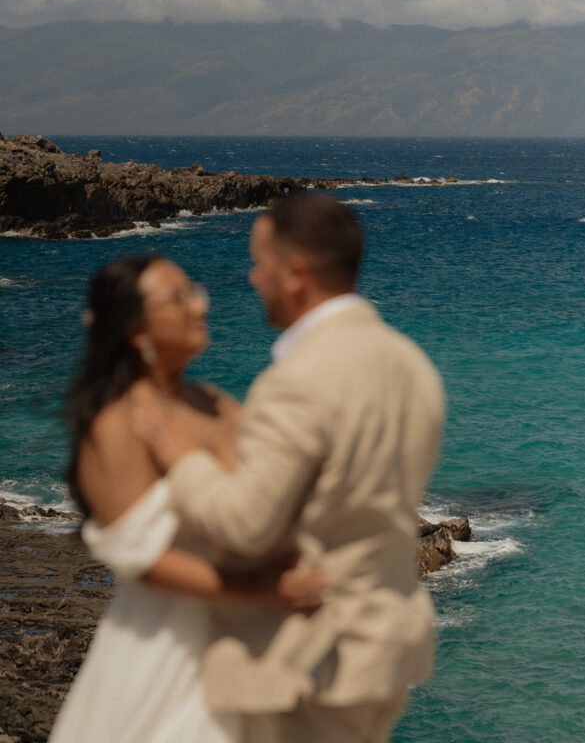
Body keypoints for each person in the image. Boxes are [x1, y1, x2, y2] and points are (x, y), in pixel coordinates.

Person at [136, 194, 445, 743]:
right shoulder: (412, 365)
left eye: (260, 264)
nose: (252, 279)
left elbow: (246, 523)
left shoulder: (297, 382)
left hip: (314, 654)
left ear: (295, 273)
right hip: (389, 645)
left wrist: (177, 453)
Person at [49, 254, 326, 743]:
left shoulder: (216, 402)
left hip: (257, 642)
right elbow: (144, 559)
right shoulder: (116, 424)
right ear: (138, 332)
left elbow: (276, 496)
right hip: (168, 651)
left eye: (194, 291)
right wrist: (260, 586)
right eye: (179, 298)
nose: (201, 305)